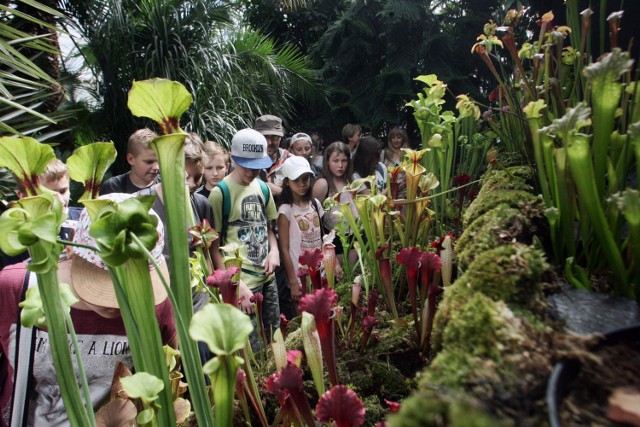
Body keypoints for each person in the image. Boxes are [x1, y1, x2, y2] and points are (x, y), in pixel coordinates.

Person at [0, 193, 177, 427]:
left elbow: (167, 370)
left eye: (131, 285)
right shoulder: (13, 289)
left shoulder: (154, 303)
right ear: (72, 250)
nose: (116, 303)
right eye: (103, 282)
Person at [209, 128, 280, 350]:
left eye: (256, 166)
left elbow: (268, 228)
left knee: (275, 337)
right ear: (232, 157)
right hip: (242, 283)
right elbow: (213, 247)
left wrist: (274, 250)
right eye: (245, 165)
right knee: (251, 347)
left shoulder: (262, 188)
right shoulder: (220, 194)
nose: (251, 171)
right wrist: (234, 284)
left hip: (267, 277)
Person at [277, 156, 325, 320]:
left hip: (320, 270)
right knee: (304, 318)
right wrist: (292, 281)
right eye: (296, 180)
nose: (302, 184)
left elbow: (322, 236)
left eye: (305, 179)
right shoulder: (286, 210)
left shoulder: (315, 204)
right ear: (287, 182)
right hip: (299, 274)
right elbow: (284, 248)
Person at [312, 141, 357, 261]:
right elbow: (314, 216)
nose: (340, 165)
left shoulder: (350, 181)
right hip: (334, 240)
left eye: (344, 161)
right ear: (327, 161)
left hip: (354, 238)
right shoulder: (323, 183)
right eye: (336, 161)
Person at [100, 128, 159, 195]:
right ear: (131, 159)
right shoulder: (112, 187)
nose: (156, 167)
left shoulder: (166, 185)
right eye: (149, 162)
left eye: (159, 162)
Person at [254, 114, 291, 202]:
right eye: (265, 137)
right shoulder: (245, 162)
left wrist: (280, 192)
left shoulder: (290, 161)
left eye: (274, 137)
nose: (269, 142)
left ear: (280, 139)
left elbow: (302, 197)